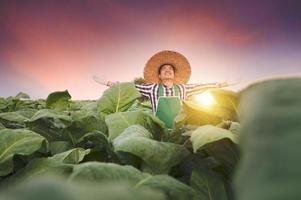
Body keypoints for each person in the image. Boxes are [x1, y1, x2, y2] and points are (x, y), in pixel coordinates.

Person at [98, 50, 228, 129]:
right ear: (159, 76)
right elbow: (130, 87)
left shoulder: (183, 88)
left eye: (170, 69)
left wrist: (221, 84)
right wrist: (109, 83)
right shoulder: (152, 88)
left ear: (174, 75)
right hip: (160, 130)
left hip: (180, 130)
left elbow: (201, 86)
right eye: (164, 69)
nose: (168, 70)